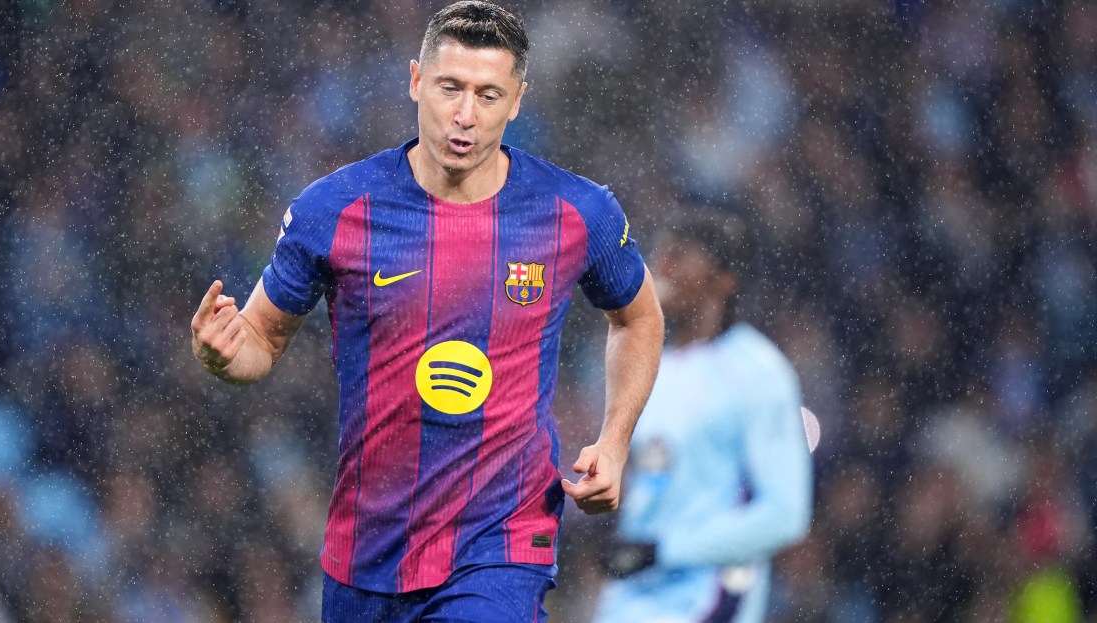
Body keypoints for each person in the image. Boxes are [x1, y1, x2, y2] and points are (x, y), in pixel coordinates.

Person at [189, 2, 664, 621]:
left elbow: (638, 317)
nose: (466, 115)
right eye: (450, 88)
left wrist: (615, 440)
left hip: (502, 541)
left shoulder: (576, 212)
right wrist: (222, 356)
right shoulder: (333, 209)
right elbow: (260, 338)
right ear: (416, 81)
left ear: (517, 101)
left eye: (488, 95)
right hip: (368, 547)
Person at [591, 210, 813, 623]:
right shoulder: (650, 365)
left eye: (678, 254)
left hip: (703, 602)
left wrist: (665, 551)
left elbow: (785, 515)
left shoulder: (758, 372)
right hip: (628, 600)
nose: (661, 267)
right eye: (659, 254)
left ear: (722, 280)